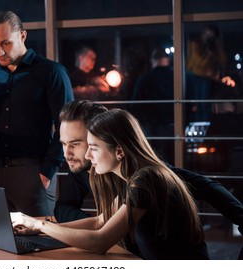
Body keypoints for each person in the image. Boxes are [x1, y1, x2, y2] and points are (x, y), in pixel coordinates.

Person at [13, 108, 209, 259]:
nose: (88, 155)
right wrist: (41, 228)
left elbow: (100, 242)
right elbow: (100, 221)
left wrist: (40, 225)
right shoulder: (137, 177)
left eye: (94, 148)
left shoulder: (145, 180)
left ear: (120, 151)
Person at [54, 100, 243, 240]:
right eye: (63, 144)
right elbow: (66, 210)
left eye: (76, 143)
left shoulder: (145, 176)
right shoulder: (84, 170)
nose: (67, 153)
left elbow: (207, 187)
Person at [0, 11, 73, 217]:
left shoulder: (52, 72)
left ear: (22, 36)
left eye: (6, 43)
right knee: (0, 245)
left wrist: (47, 172)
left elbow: (68, 126)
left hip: (34, 170)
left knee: (42, 245)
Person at [131, 47, 174, 163]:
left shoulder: (145, 79)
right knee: (174, 159)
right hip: (174, 127)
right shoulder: (178, 78)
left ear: (153, 60)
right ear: (168, 60)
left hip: (152, 128)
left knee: (155, 160)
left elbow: (136, 106)